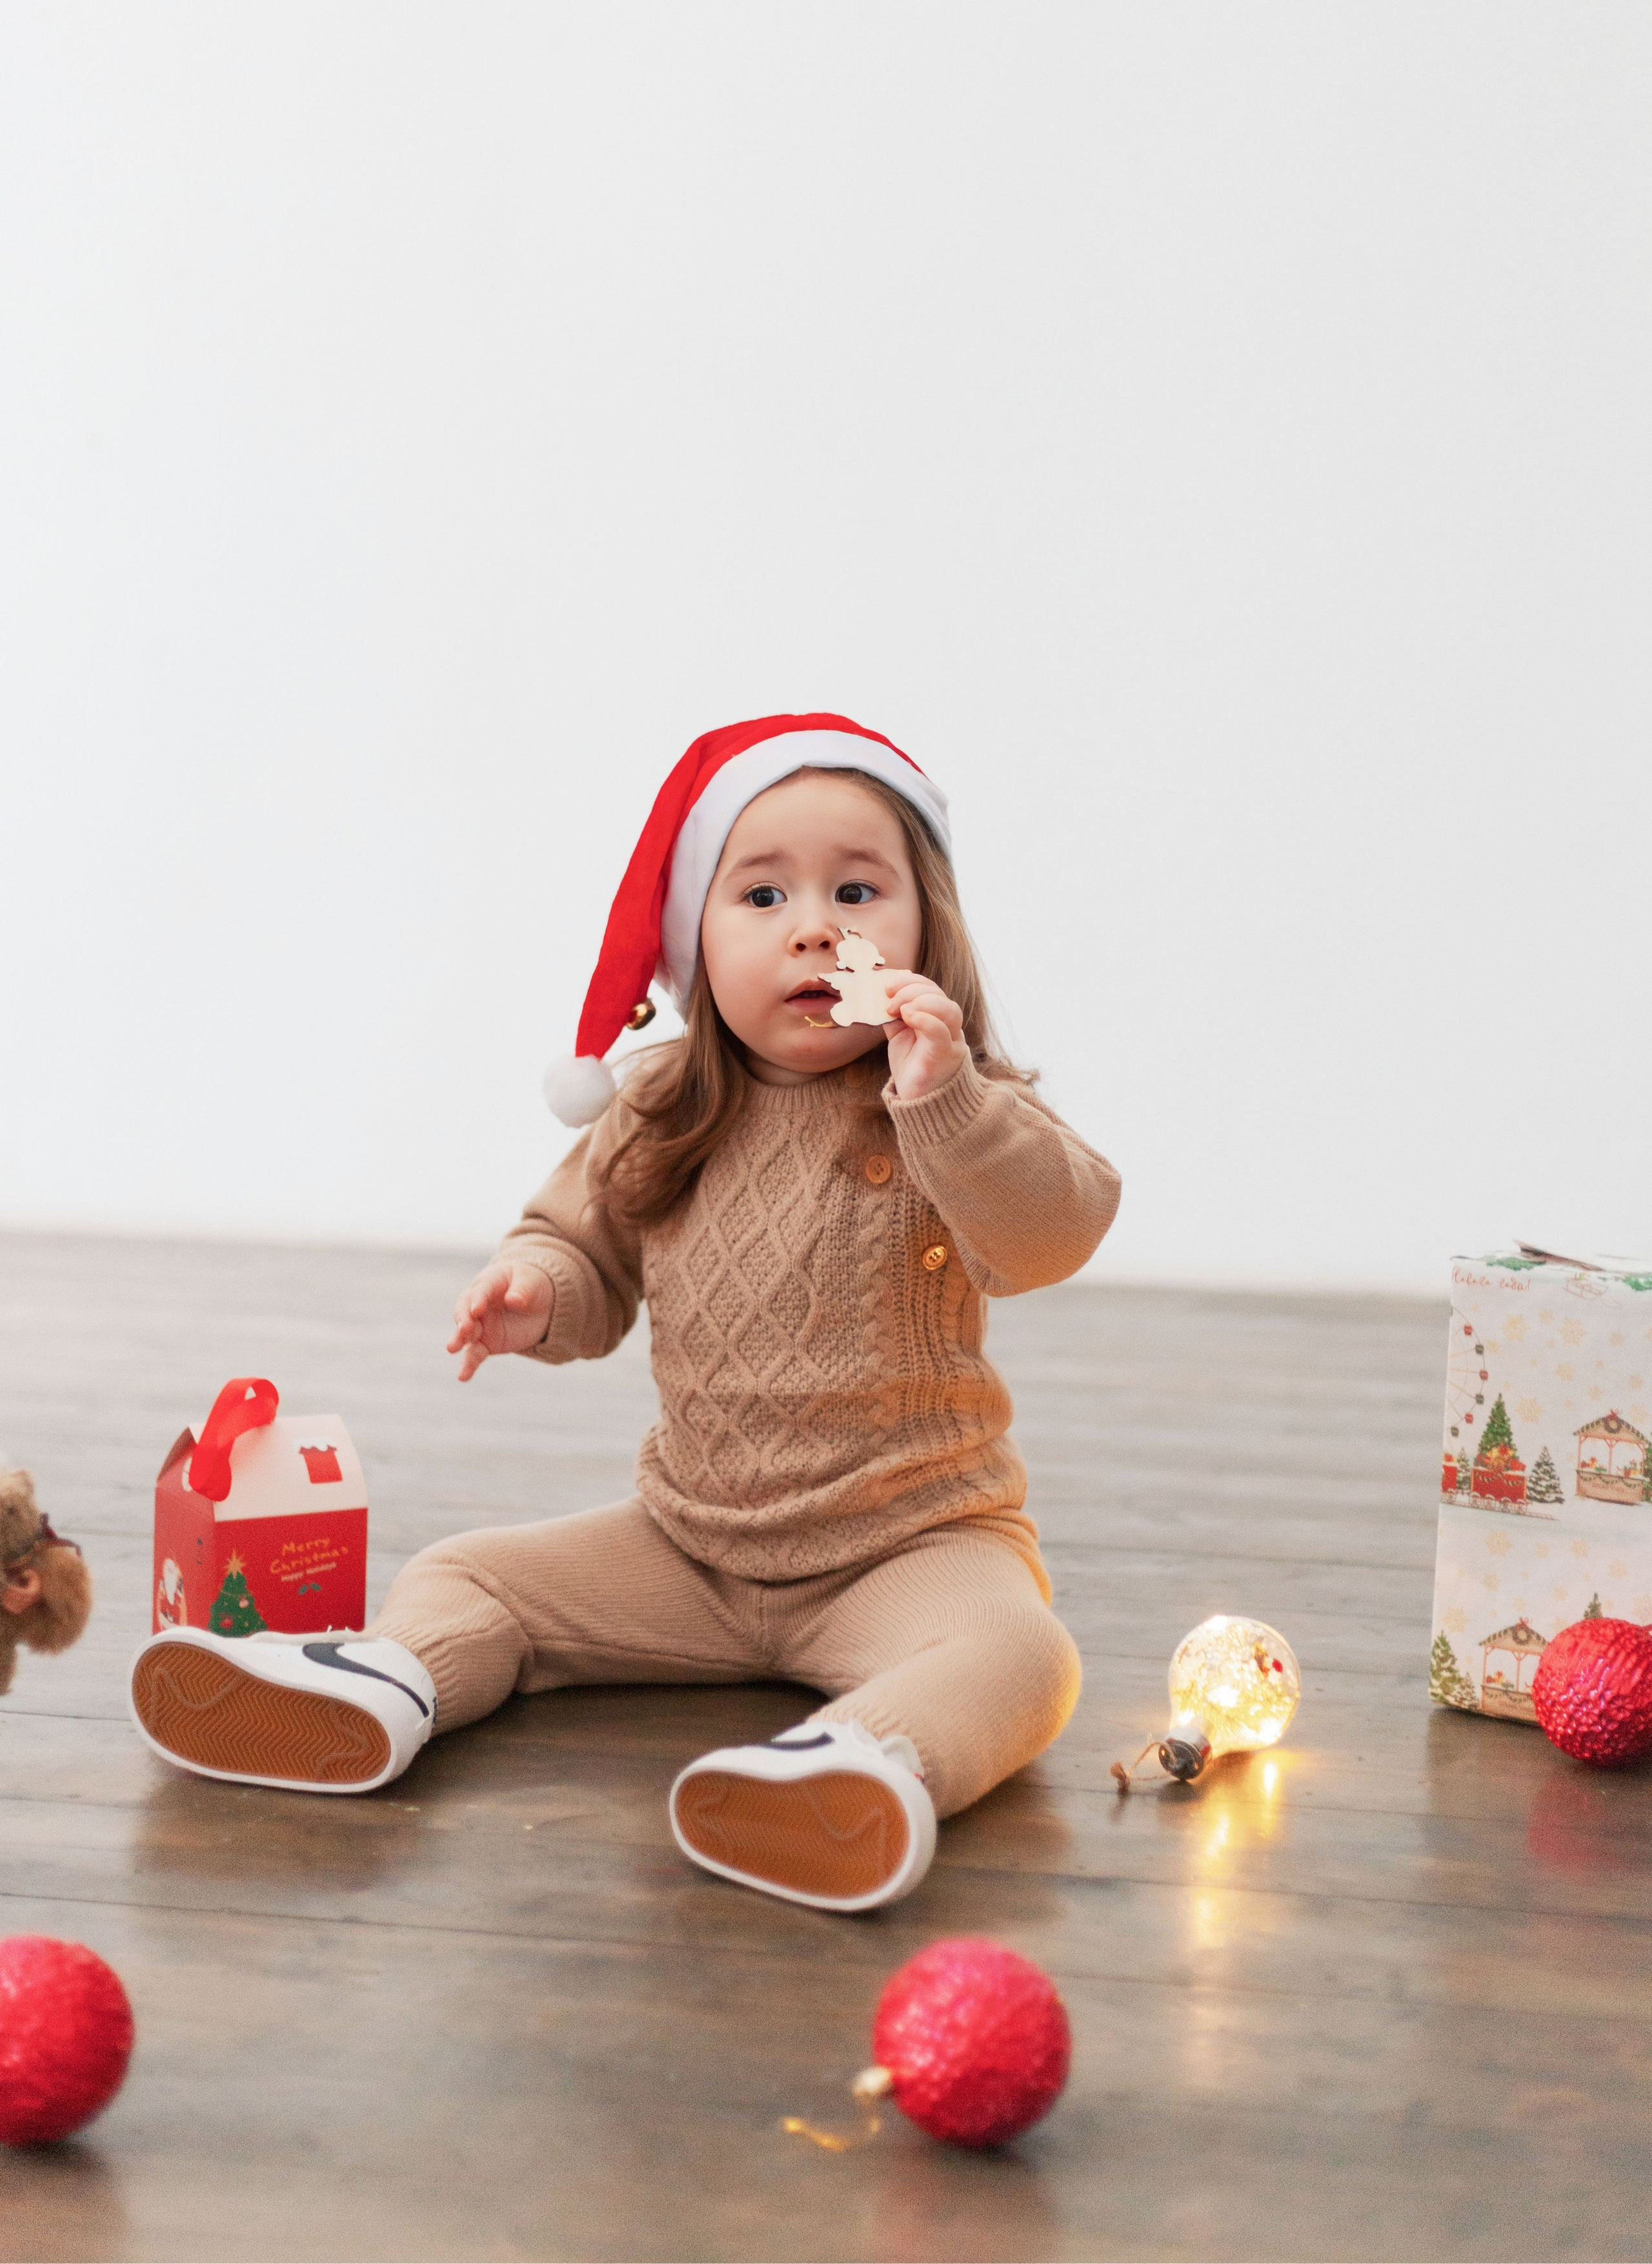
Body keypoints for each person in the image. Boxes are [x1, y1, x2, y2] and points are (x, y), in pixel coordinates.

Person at [128, 714, 1121, 1912]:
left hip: (905, 1548)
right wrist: (535, 1289)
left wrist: (947, 1100)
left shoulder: (948, 1103)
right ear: (692, 942)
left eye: (858, 890)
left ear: (925, 930)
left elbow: (1052, 1235)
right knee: (470, 1572)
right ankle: (384, 1684)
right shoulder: (661, 1102)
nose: (816, 926)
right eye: (762, 897)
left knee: (1023, 1653)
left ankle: (856, 1762)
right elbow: (583, 1254)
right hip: (692, 1546)